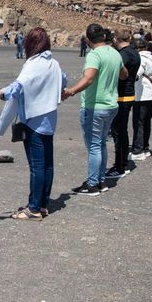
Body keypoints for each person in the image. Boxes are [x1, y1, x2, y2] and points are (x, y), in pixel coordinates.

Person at [0, 28, 66, 220]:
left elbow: (18, 86)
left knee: (37, 166)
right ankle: (43, 204)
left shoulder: (34, 64)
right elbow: (64, 81)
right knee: (47, 165)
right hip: (49, 120)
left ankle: (33, 209)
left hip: (34, 122)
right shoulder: (54, 63)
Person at [62, 23, 127, 196]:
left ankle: (92, 184)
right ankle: (100, 180)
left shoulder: (94, 55)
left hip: (95, 106)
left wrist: (71, 91)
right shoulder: (114, 53)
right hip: (111, 105)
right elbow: (124, 74)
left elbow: (89, 78)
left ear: (88, 39)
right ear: (104, 37)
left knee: (94, 146)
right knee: (101, 144)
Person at [107, 29, 140, 179]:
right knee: (123, 131)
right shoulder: (134, 52)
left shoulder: (124, 55)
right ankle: (123, 162)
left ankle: (120, 165)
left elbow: (118, 72)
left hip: (122, 97)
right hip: (129, 94)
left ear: (116, 39)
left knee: (118, 132)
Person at [131, 39, 152, 161]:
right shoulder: (151, 57)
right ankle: (145, 147)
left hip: (143, 95)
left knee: (138, 122)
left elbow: (137, 74)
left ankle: (138, 151)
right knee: (146, 121)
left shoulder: (140, 58)